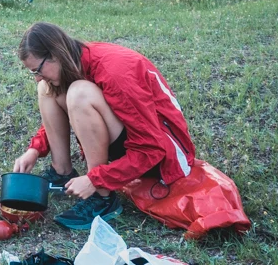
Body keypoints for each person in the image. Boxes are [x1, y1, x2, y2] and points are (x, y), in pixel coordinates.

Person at [11, 22, 196, 230]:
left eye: (38, 69)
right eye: (32, 72)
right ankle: (61, 171)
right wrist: (35, 150)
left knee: (79, 93)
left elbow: (152, 149)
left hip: (164, 153)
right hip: (131, 142)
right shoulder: (76, 59)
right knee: (47, 89)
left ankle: (102, 198)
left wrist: (95, 180)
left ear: (55, 54)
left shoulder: (114, 70)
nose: (36, 77)